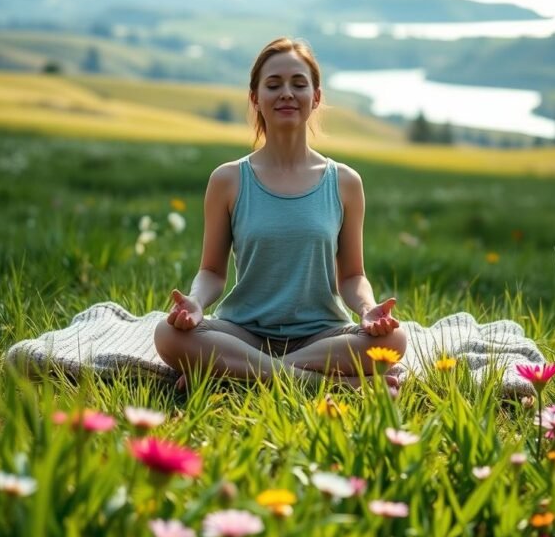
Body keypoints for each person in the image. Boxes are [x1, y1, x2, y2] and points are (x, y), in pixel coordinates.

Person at [153, 37, 406, 390]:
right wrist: (195, 302)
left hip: (321, 336)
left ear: (316, 97)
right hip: (242, 332)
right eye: (273, 85)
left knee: (395, 342)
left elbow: (352, 276)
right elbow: (211, 271)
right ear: (255, 97)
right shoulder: (228, 180)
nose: (287, 93)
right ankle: (333, 385)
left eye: (298, 84)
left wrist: (366, 309)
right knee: (167, 334)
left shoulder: (345, 182)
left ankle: (234, 374)